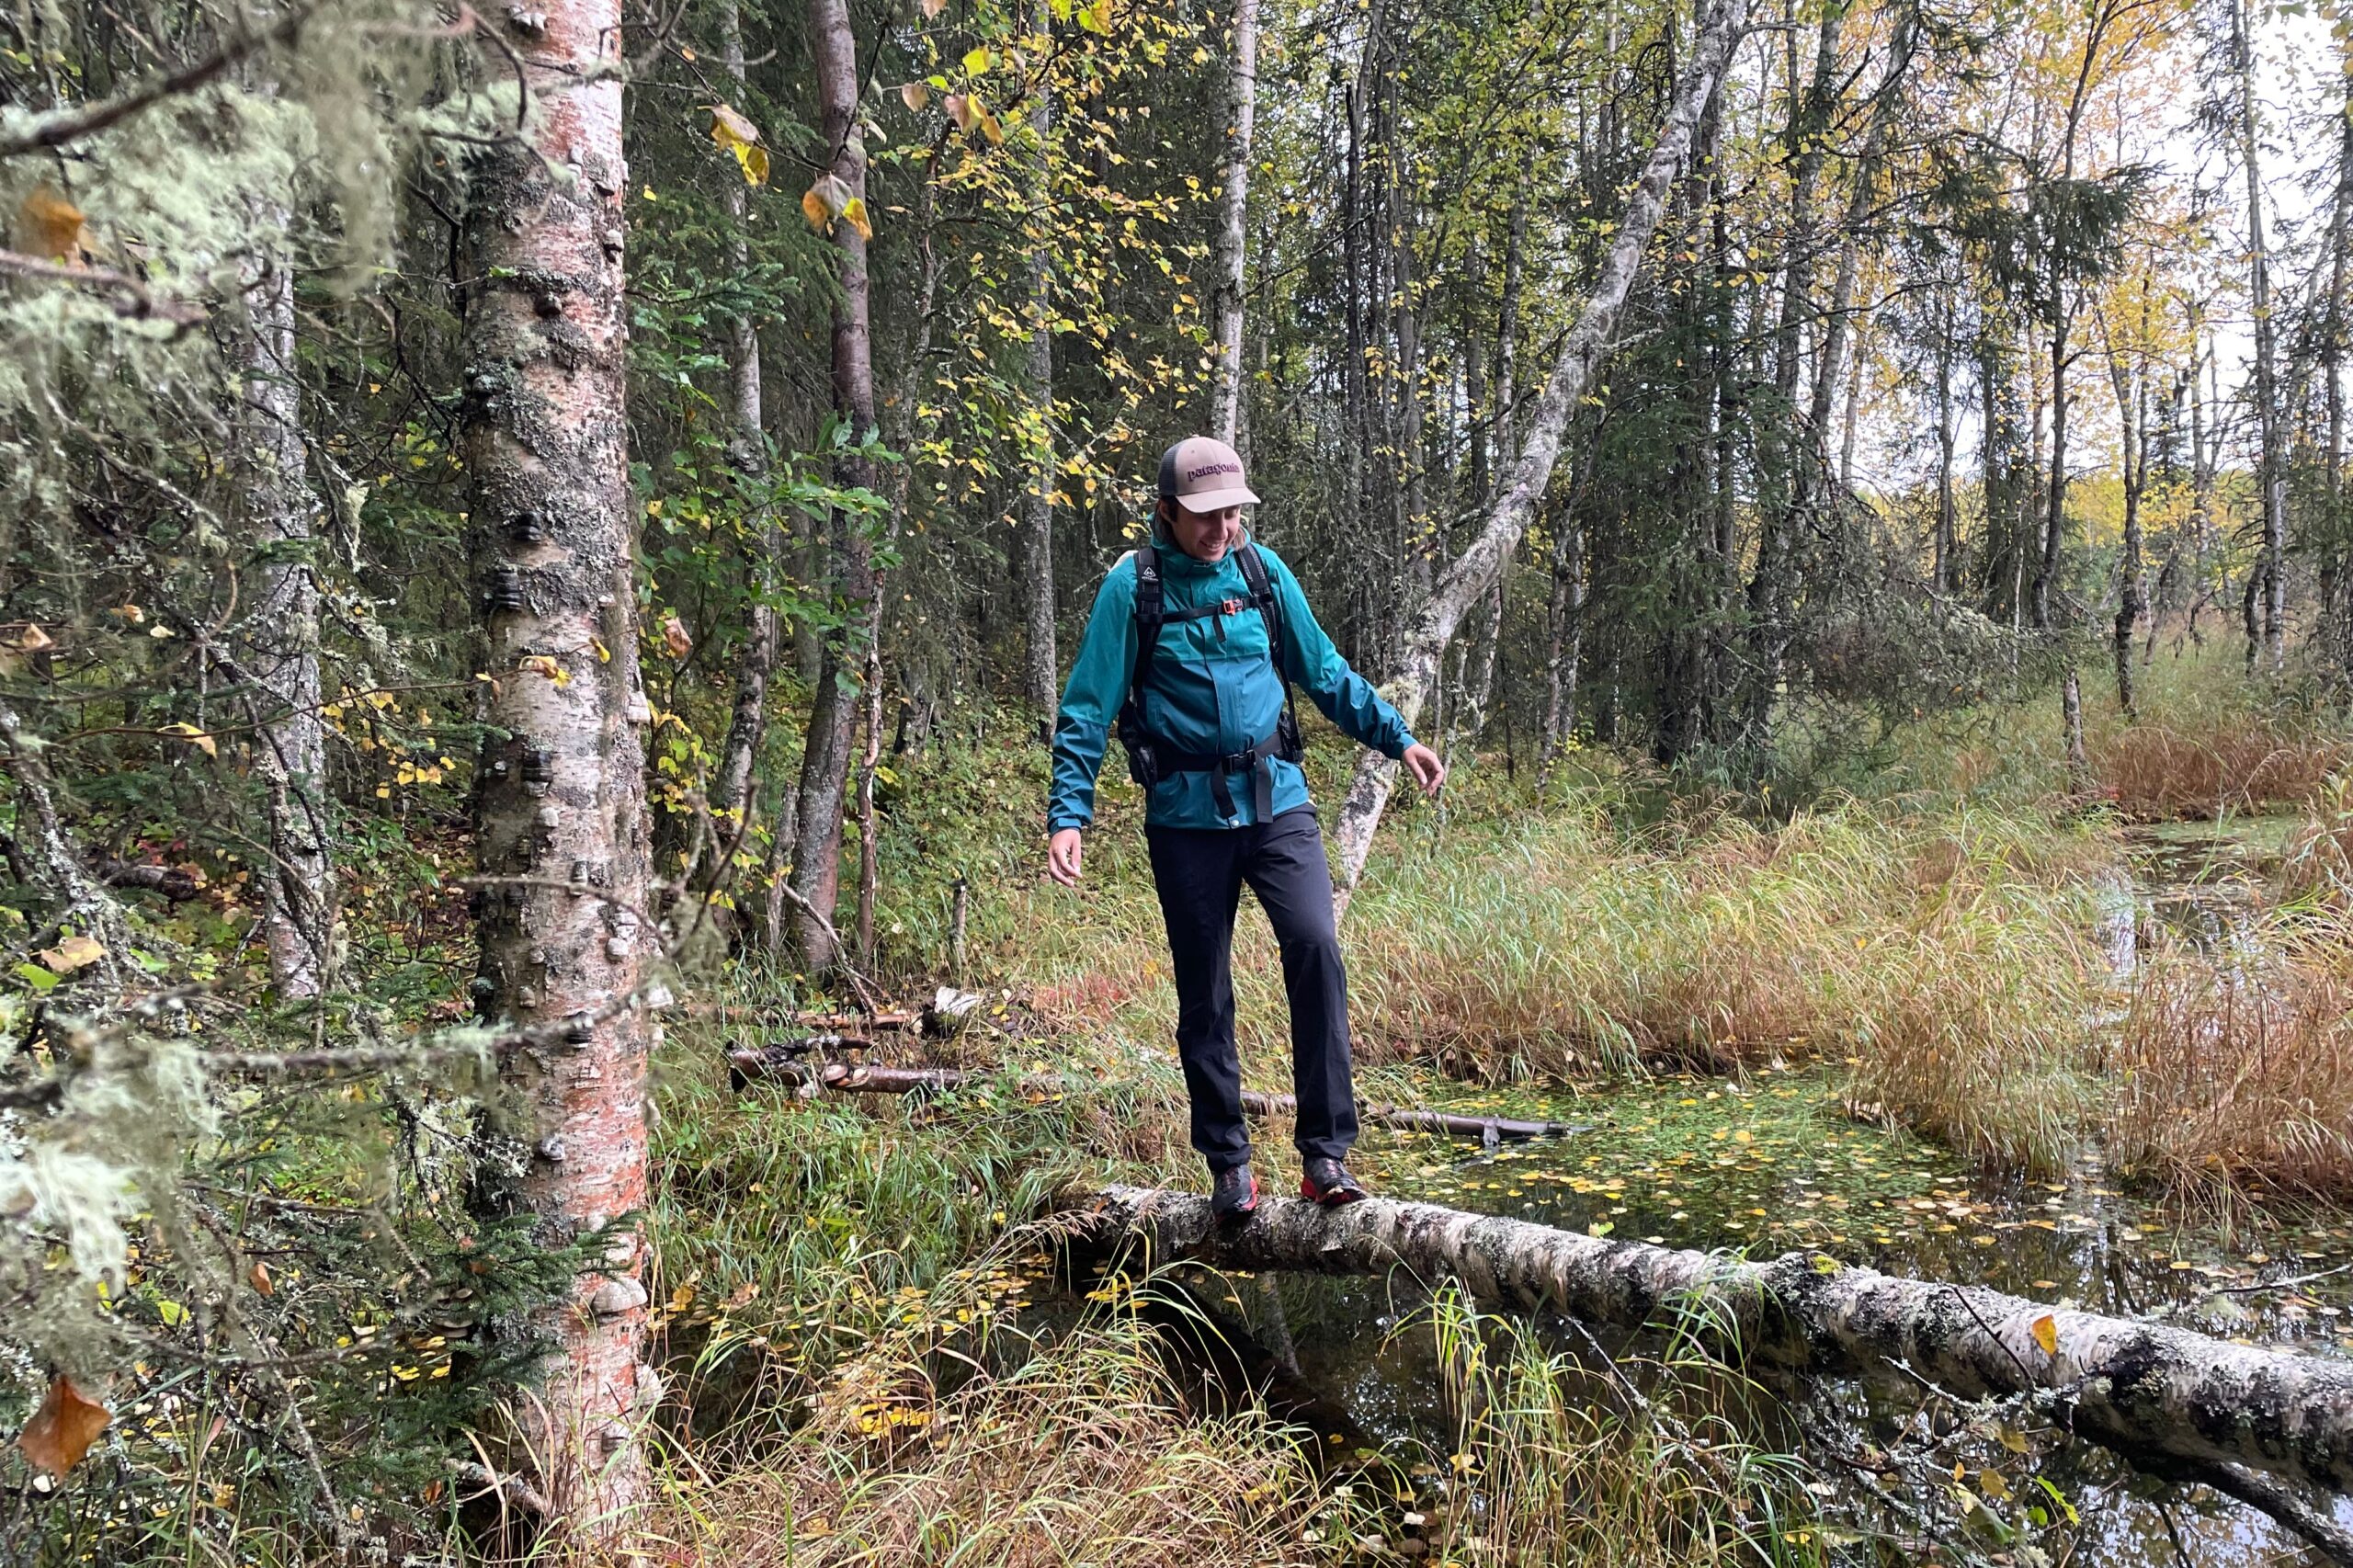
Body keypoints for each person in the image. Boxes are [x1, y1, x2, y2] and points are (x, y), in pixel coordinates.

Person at [1046, 436, 1446, 1216]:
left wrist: (1397, 738)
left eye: (1231, 511)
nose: (1222, 527)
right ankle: (1229, 1165)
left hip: (1276, 804)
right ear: (1165, 510)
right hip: (1185, 821)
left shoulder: (1263, 575)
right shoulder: (1135, 588)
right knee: (1205, 990)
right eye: (1205, 515)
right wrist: (1070, 814)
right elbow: (1088, 708)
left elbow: (1324, 673)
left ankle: (1326, 1155)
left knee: (1317, 946)